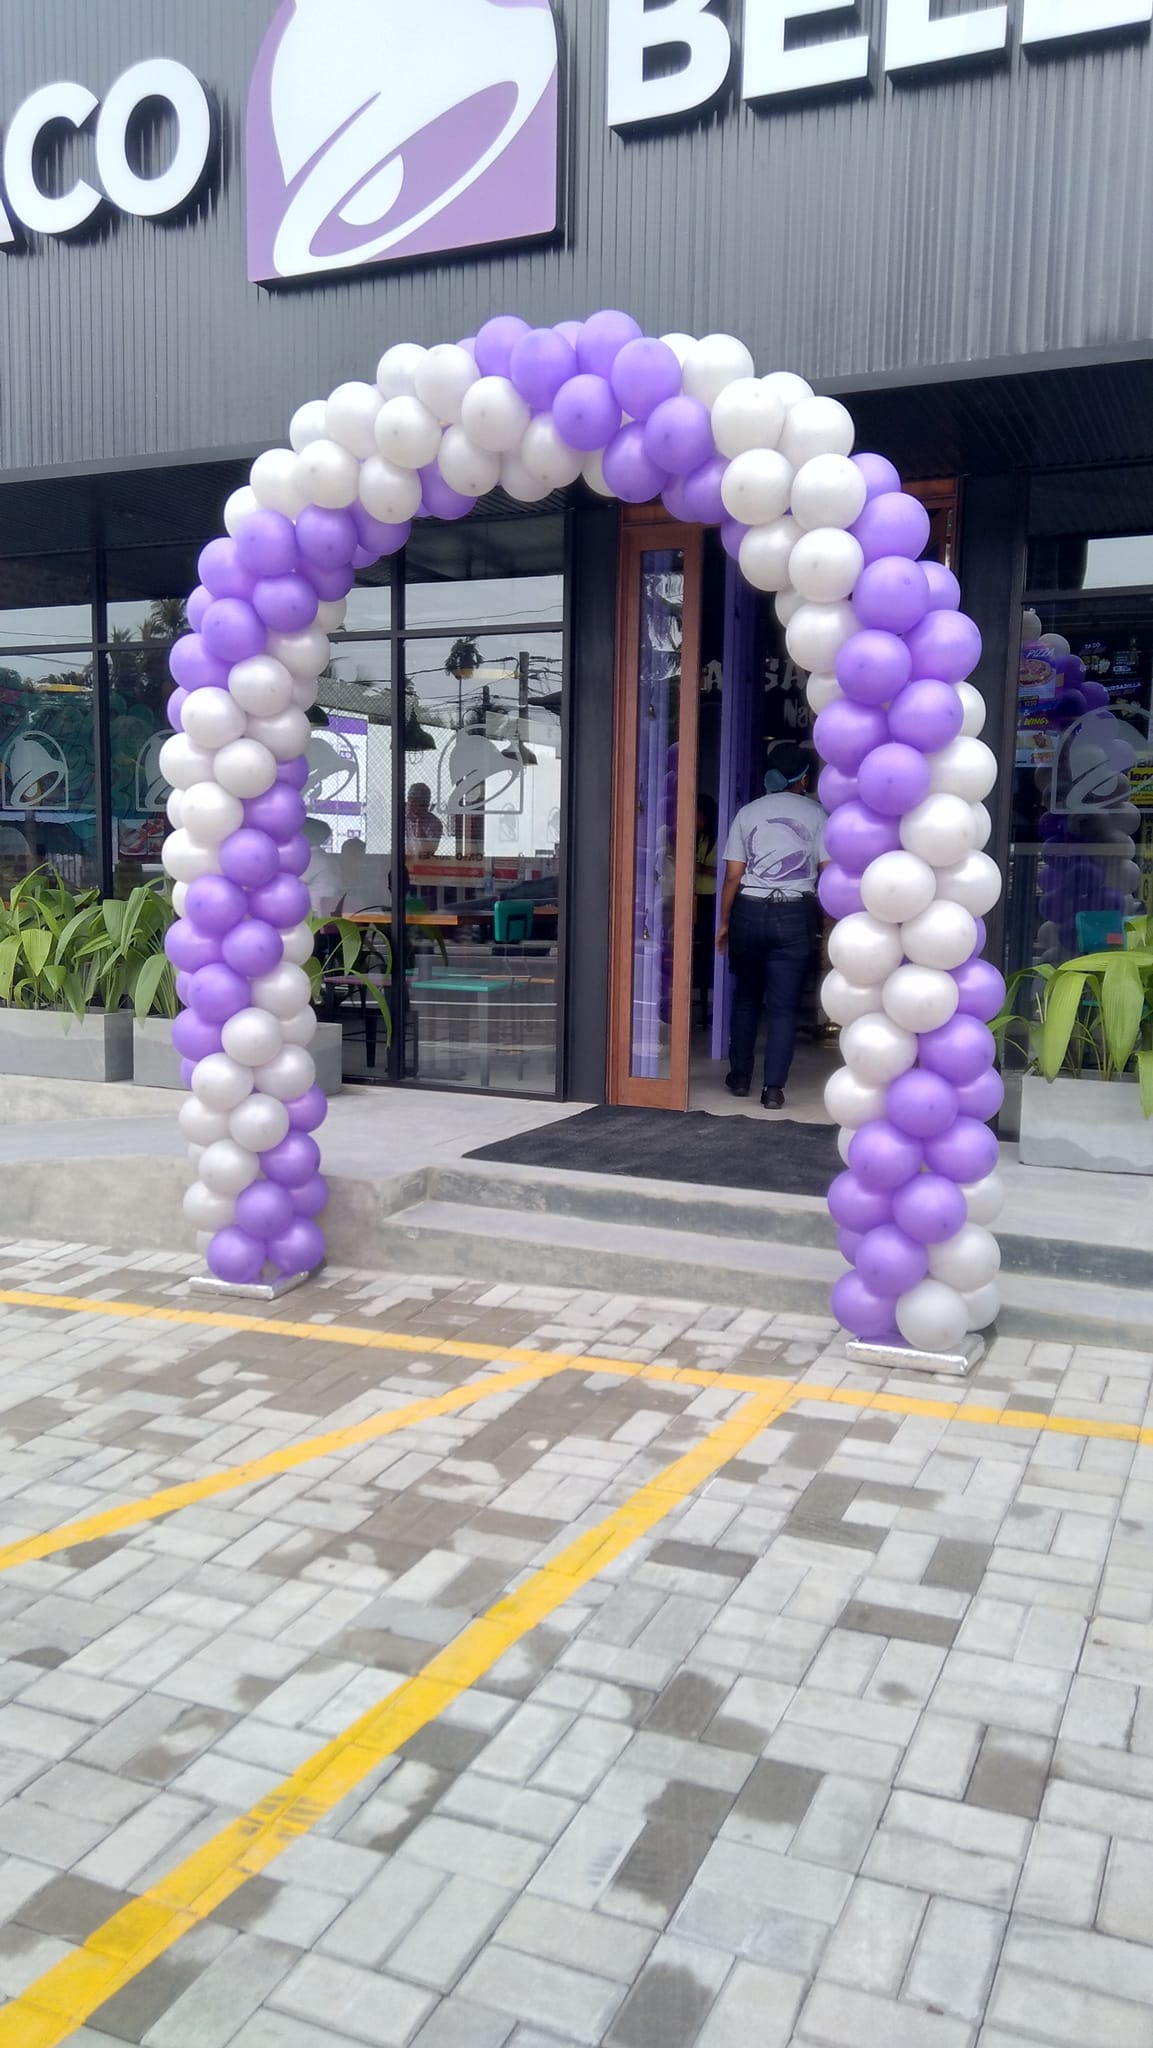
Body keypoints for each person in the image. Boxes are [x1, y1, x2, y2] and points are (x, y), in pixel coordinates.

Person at [716, 741, 826, 1110]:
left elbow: (733, 876)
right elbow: (828, 873)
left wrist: (724, 922)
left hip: (748, 910)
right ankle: (774, 1090)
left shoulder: (747, 813)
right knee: (783, 1007)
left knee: (746, 998)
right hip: (795, 914)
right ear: (804, 778)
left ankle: (740, 1078)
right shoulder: (818, 815)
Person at [693, 794, 719, 1032]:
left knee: (709, 954)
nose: (694, 819)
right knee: (696, 952)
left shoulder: (719, 839)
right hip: (694, 899)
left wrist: (702, 869)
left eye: (698, 814)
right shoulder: (695, 838)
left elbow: (726, 871)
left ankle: (712, 1004)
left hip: (712, 900)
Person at [405, 782, 443, 858]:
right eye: (409, 799)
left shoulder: (434, 823)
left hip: (423, 863)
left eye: (414, 801)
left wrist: (419, 829)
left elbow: (428, 852)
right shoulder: (405, 819)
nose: (409, 804)